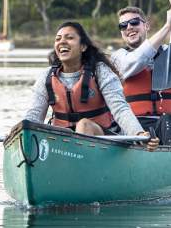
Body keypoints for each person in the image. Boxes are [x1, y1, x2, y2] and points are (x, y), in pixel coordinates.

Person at [25, 21, 159, 150]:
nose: (62, 42)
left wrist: (139, 134)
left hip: (106, 140)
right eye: (58, 39)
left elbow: (120, 109)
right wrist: (21, 131)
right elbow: (34, 115)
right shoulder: (46, 77)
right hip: (64, 140)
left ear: (83, 47)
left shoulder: (100, 71)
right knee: (35, 130)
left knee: (84, 125)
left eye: (70, 38)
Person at [111, 0, 171, 145]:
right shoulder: (118, 58)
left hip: (168, 124)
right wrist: (167, 26)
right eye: (123, 25)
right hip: (134, 126)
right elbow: (137, 60)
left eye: (134, 22)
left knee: (169, 121)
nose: (129, 27)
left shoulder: (170, 55)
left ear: (146, 26)